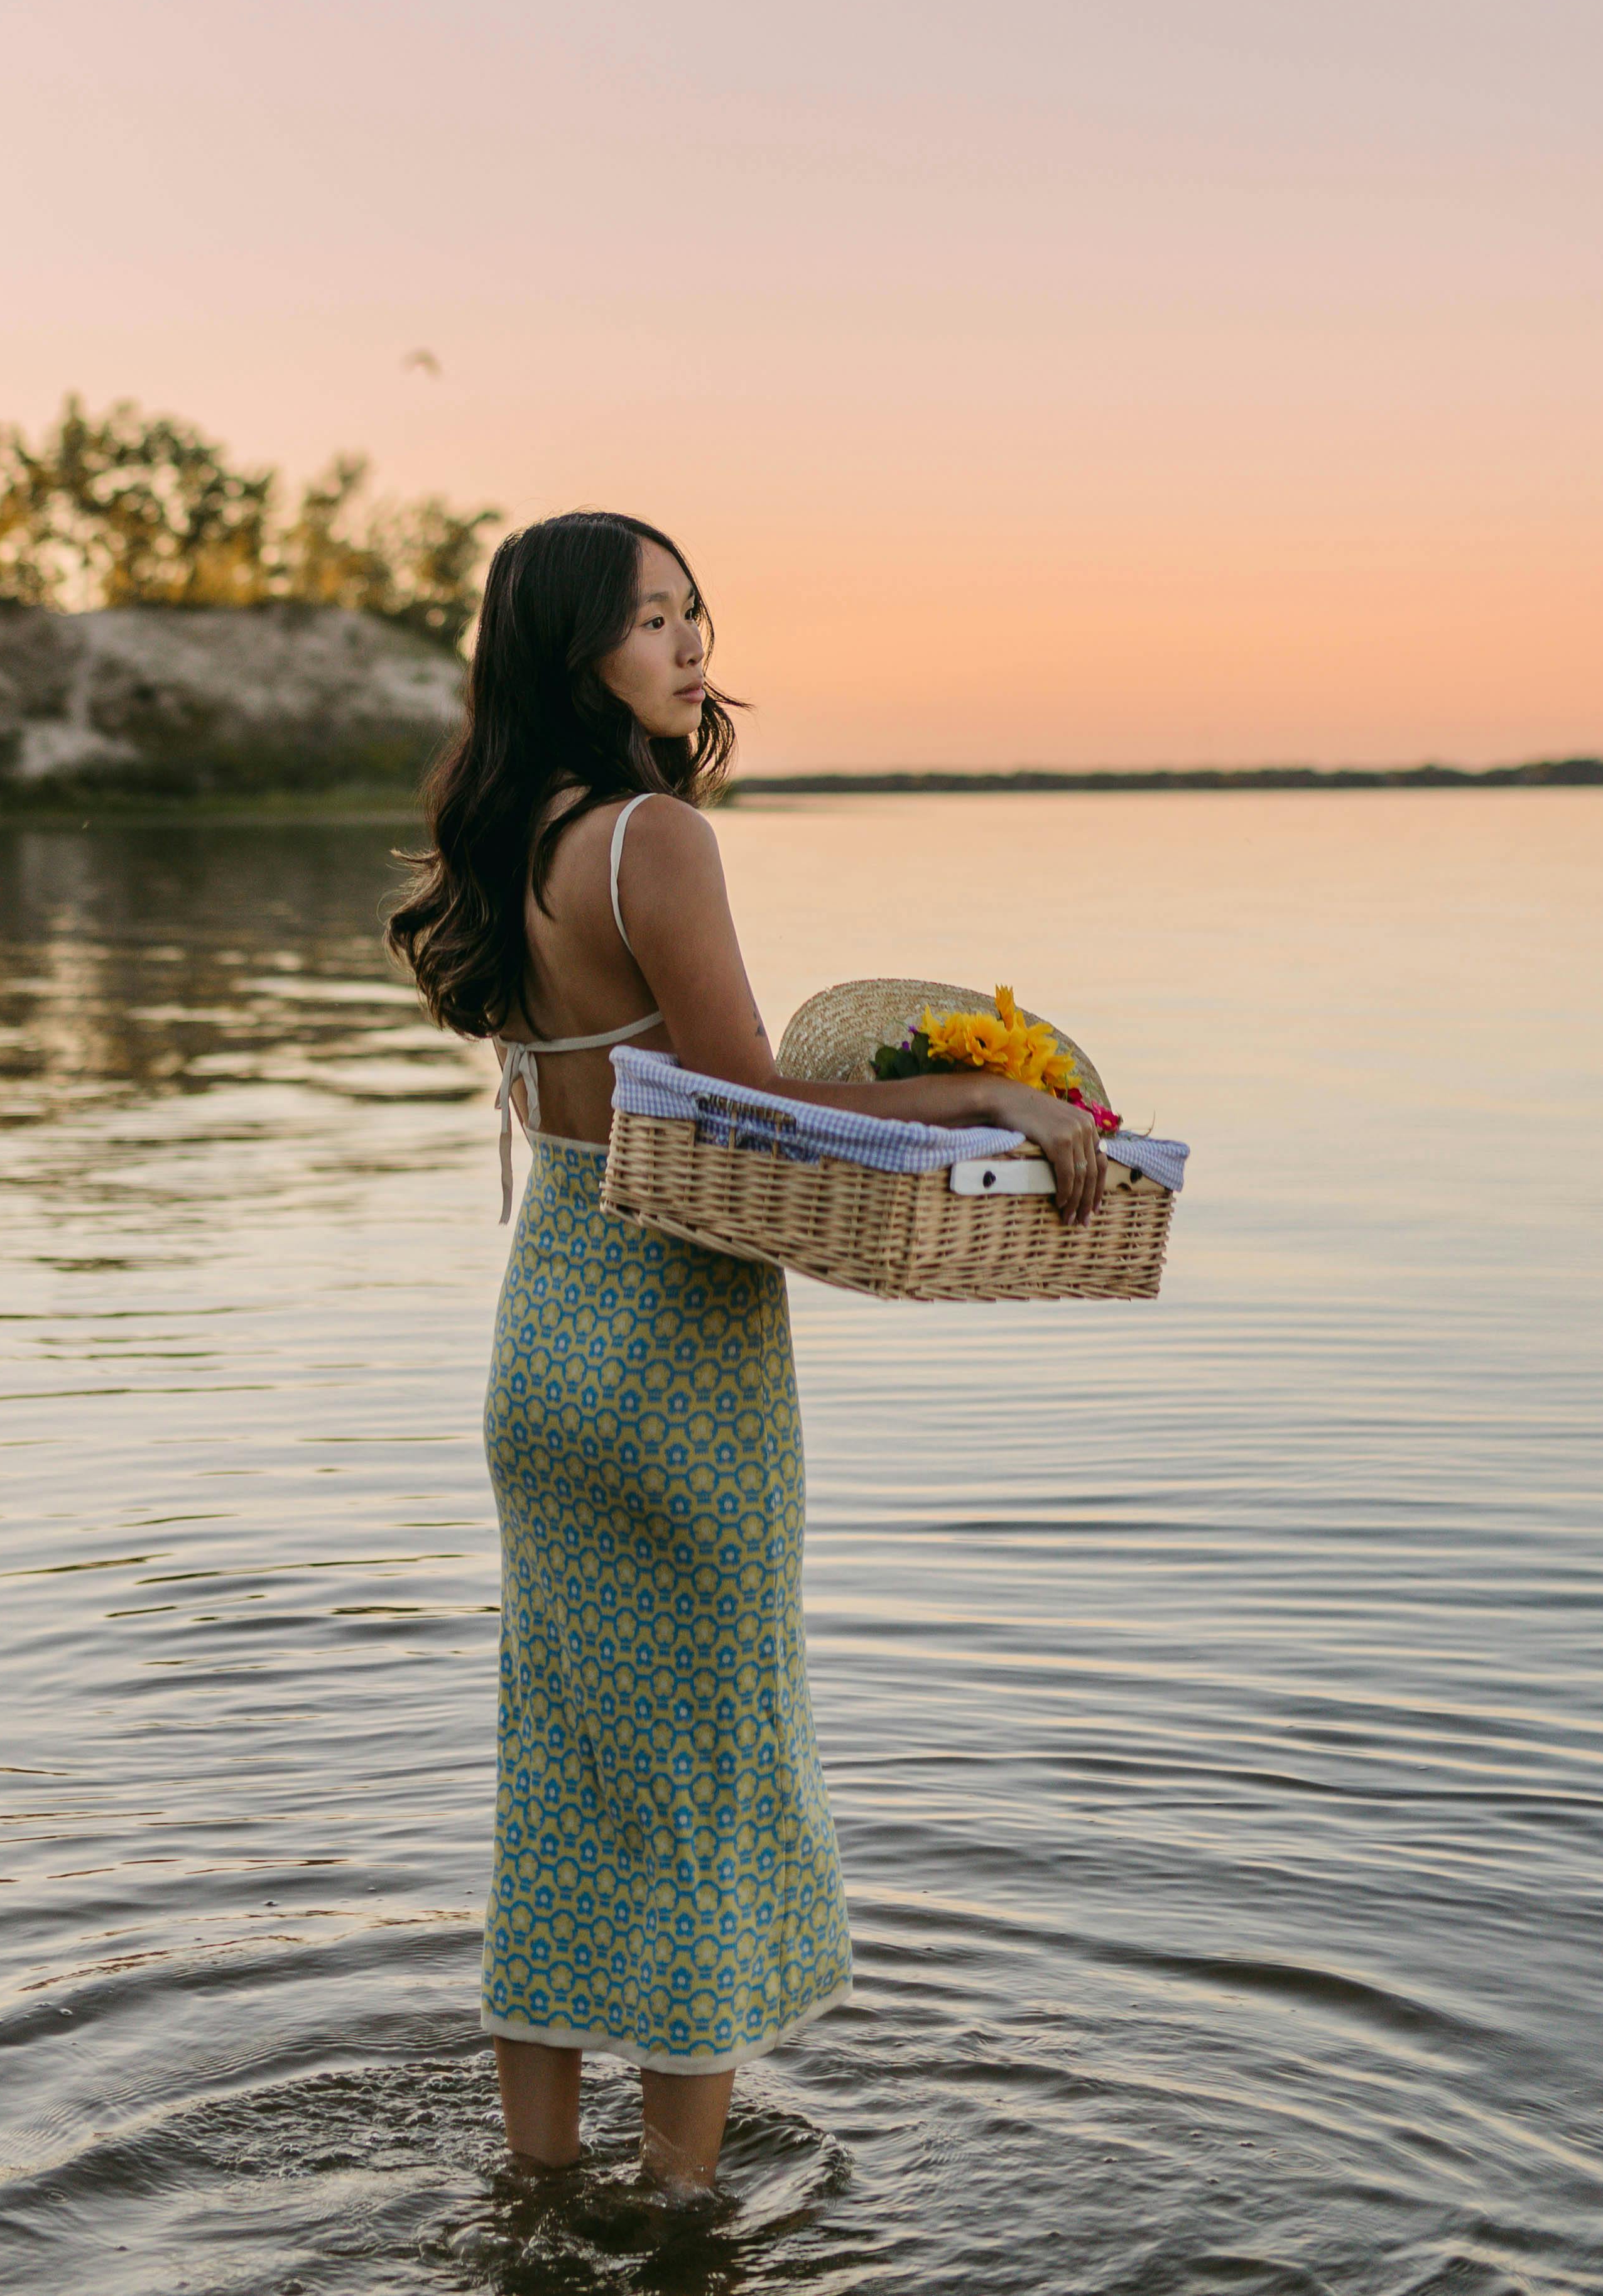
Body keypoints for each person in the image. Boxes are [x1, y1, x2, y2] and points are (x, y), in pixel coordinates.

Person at [388, 510, 1104, 2192]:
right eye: (653, 617)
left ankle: (535, 2182)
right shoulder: (652, 836)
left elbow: (625, 1094)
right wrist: (988, 1094)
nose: (693, 642)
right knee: (706, 1766)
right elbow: (750, 1109)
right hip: (674, 1340)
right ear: (580, 652)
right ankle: (682, 2210)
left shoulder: (508, 834)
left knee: (559, 1760)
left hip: (545, 1333)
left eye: (698, 611)